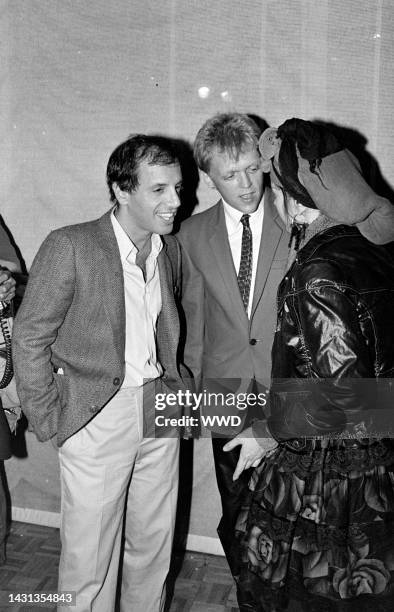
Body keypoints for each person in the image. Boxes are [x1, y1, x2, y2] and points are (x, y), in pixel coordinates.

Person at [12, 134, 188, 612]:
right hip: (95, 415)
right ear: (122, 189)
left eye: (178, 186)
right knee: (89, 561)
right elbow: (29, 336)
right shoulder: (70, 245)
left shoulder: (166, 250)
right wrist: (54, 419)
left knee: (155, 543)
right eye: (160, 190)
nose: (176, 200)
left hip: (160, 408)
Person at [226, 118, 394, 610]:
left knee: (306, 591)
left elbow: (347, 397)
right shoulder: (373, 249)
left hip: (331, 467)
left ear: (295, 199)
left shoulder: (320, 269)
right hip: (376, 456)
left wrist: (266, 433)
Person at [177, 113, 290, 608]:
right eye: (230, 175)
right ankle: (250, 595)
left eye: (252, 169)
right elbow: (191, 324)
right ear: (207, 177)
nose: (245, 185)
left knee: (291, 511)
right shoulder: (189, 235)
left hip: (290, 394)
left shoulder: (297, 220)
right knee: (237, 508)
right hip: (224, 393)